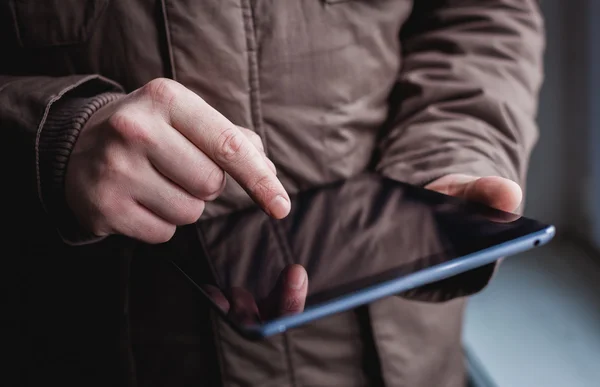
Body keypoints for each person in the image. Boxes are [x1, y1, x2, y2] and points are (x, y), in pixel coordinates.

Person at [1, 0, 544, 386]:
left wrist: (449, 154)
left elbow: (480, 16)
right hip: (100, 351)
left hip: (401, 358)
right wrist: (53, 138)